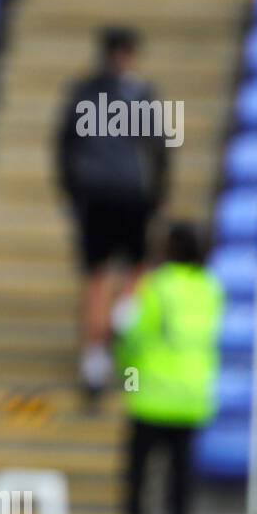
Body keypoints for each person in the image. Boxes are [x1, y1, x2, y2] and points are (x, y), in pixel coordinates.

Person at [56, 27, 169, 406]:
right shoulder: (133, 93)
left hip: (110, 196)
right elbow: (160, 147)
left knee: (110, 272)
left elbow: (64, 147)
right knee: (113, 272)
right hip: (119, 195)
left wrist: (73, 192)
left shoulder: (87, 92)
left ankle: (102, 347)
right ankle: (112, 333)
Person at [112, 222, 223, 514]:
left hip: (154, 392)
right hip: (192, 393)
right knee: (181, 467)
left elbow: (135, 333)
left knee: (139, 465)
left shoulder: (157, 285)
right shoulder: (210, 287)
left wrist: (124, 362)